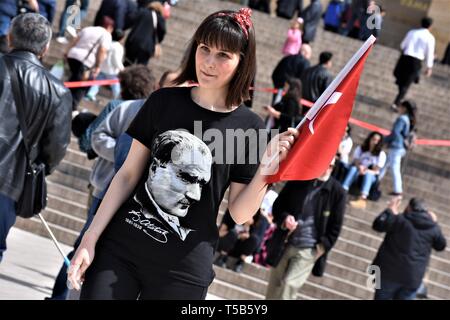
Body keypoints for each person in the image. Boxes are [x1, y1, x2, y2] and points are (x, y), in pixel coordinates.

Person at [67, 8, 298, 300]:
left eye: (224, 55)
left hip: (183, 268)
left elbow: (239, 213)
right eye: (205, 49)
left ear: (242, 62)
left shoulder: (249, 126)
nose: (209, 63)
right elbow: (126, 176)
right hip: (121, 248)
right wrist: (90, 237)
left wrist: (266, 172)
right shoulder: (163, 101)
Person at [0, 13, 72, 263]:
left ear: (10, 38)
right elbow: (54, 151)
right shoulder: (57, 91)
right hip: (8, 183)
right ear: (46, 48)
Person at [265, 158, 346, 300]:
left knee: (289, 285)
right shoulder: (301, 178)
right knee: (274, 285)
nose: (326, 168)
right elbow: (278, 206)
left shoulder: (338, 192)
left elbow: (336, 226)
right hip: (285, 241)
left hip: (309, 248)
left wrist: (321, 247)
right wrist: (285, 218)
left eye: (330, 165)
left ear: (333, 168)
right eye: (324, 163)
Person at [372, 197, 446, 300]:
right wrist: (435, 223)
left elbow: (377, 225)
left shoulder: (398, 220)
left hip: (388, 273)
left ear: (409, 208)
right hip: (412, 278)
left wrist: (389, 211)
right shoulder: (432, 227)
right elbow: (441, 246)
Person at [65, 17, 114, 110]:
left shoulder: (88, 29)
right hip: (85, 61)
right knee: (82, 85)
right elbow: (102, 50)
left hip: (73, 56)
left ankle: (63, 100)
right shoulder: (106, 35)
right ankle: (72, 107)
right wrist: (98, 66)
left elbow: (75, 40)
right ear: (109, 27)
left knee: (75, 79)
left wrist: (67, 52)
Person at [392, 17, 435, 111]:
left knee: (402, 81)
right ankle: (397, 102)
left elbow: (402, 45)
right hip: (416, 61)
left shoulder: (412, 32)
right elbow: (430, 53)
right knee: (406, 83)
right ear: (430, 26)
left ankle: (398, 100)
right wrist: (429, 67)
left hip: (405, 57)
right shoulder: (430, 38)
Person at [379, 100, 417, 196]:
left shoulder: (402, 118)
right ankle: (376, 180)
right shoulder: (408, 119)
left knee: (394, 167)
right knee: (385, 165)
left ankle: (398, 189)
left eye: (400, 106)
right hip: (400, 147)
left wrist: (385, 140)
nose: (398, 108)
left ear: (404, 108)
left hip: (396, 146)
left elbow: (395, 132)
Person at [342, 131, 386, 209]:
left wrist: (366, 171)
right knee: (353, 169)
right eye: (373, 139)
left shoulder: (381, 154)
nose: (374, 142)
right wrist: (360, 168)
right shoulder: (361, 149)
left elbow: (376, 170)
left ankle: (362, 199)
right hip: (358, 172)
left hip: (370, 176)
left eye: (377, 140)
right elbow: (355, 162)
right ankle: (343, 190)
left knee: (369, 174)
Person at [85, 29, 125, 101]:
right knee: (115, 85)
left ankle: (91, 94)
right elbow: (116, 60)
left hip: (102, 68)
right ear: (121, 38)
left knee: (97, 82)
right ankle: (118, 98)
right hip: (112, 71)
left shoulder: (107, 43)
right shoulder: (118, 47)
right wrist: (122, 68)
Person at [124, 0, 166, 66]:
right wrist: (158, 41)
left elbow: (131, 19)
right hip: (147, 46)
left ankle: (125, 75)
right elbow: (162, 31)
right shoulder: (159, 18)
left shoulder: (142, 11)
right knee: (141, 66)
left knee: (128, 63)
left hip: (133, 42)